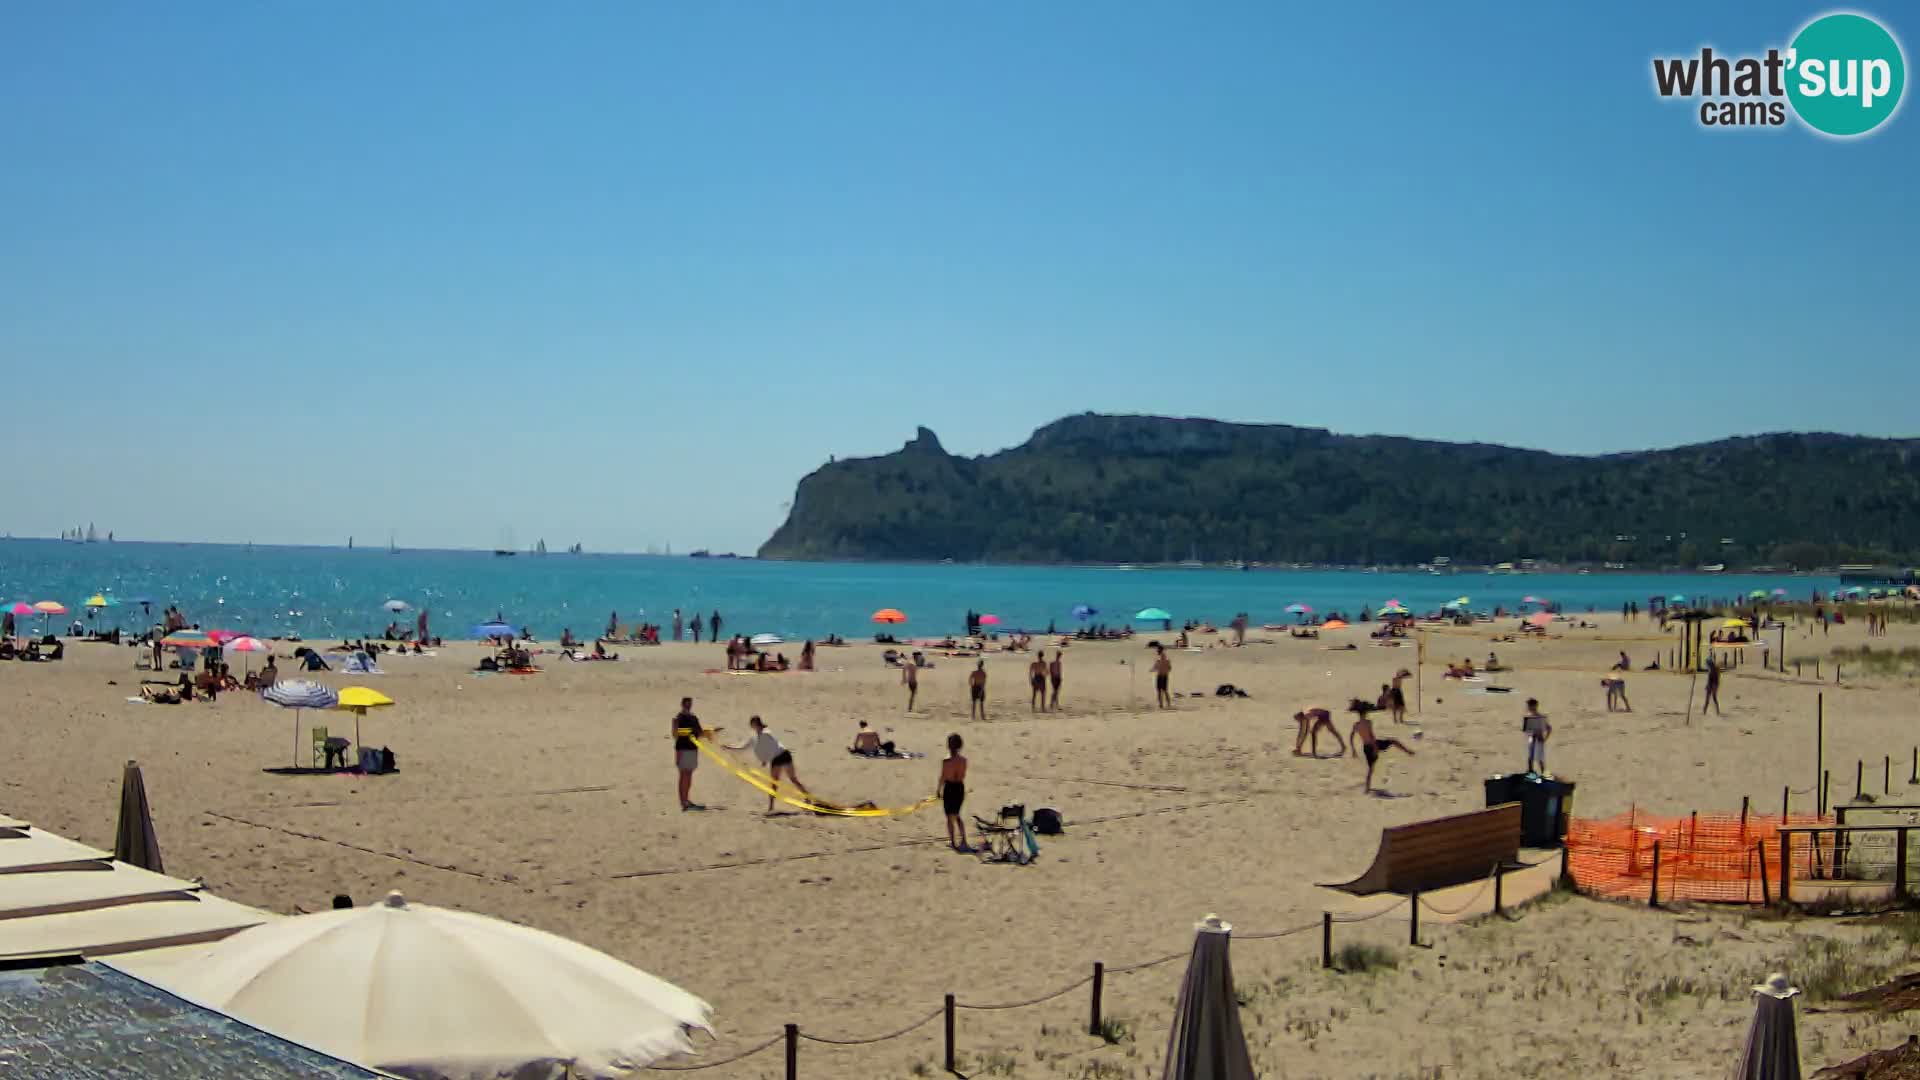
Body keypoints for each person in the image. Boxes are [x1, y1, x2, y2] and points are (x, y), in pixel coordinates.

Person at [727, 716, 810, 814]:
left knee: (793, 779)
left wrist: (764, 758)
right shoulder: (755, 738)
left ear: (757, 724)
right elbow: (743, 748)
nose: (752, 726)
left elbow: (771, 744)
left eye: (753, 724)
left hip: (784, 755)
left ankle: (808, 798)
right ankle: (771, 807)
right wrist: (729, 748)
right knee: (774, 783)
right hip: (776, 759)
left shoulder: (766, 733)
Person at [1348, 701, 1413, 793]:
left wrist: (1353, 750)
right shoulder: (1368, 722)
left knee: (1370, 769)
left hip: (1366, 747)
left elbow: (1351, 737)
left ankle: (1367, 788)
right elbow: (1372, 736)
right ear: (1365, 713)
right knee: (1393, 741)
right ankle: (1408, 751)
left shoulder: (1356, 725)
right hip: (1373, 745)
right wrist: (1375, 748)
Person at [672, 697, 709, 811]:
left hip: (692, 749)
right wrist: (690, 732)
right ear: (682, 704)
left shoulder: (694, 718)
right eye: (686, 704)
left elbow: (700, 733)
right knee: (683, 775)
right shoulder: (677, 718)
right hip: (682, 749)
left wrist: (711, 732)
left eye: (689, 704)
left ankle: (686, 800)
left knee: (689, 775)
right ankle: (683, 802)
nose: (688, 706)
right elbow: (675, 734)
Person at [938, 733, 969, 851]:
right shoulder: (964, 760)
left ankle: (953, 842)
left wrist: (938, 789)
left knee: (949, 816)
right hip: (960, 787)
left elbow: (943, 776)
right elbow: (963, 775)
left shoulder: (946, 761)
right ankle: (964, 840)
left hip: (950, 788)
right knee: (957, 815)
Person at [1522, 698, 1551, 774]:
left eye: (1530, 705)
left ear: (1535, 706)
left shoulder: (1540, 717)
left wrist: (1545, 739)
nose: (1529, 707)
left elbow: (1549, 728)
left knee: (1539, 759)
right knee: (1530, 758)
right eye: (1529, 705)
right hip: (1532, 739)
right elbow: (1526, 730)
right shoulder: (1528, 717)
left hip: (1538, 739)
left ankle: (1543, 775)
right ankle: (1531, 773)